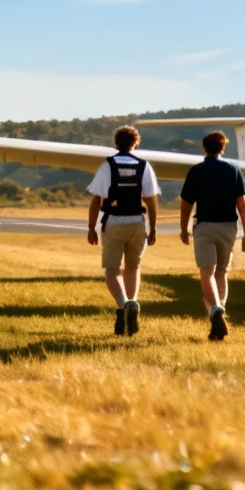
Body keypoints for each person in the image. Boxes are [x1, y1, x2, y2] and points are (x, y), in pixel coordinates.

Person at [86, 125, 159, 336]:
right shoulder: (144, 166)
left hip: (114, 222)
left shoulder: (107, 166)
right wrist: (152, 228)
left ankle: (124, 304)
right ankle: (131, 304)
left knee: (111, 271)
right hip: (137, 222)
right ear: (136, 142)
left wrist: (91, 228)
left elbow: (96, 200)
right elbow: (151, 201)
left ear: (116, 142)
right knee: (132, 268)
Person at [178, 130, 245, 341]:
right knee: (221, 272)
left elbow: (186, 204)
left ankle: (215, 311)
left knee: (206, 272)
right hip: (228, 227)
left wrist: (184, 229)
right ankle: (219, 313)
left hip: (205, 226)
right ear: (223, 148)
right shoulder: (233, 170)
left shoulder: (197, 171)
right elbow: (242, 204)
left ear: (204, 148)